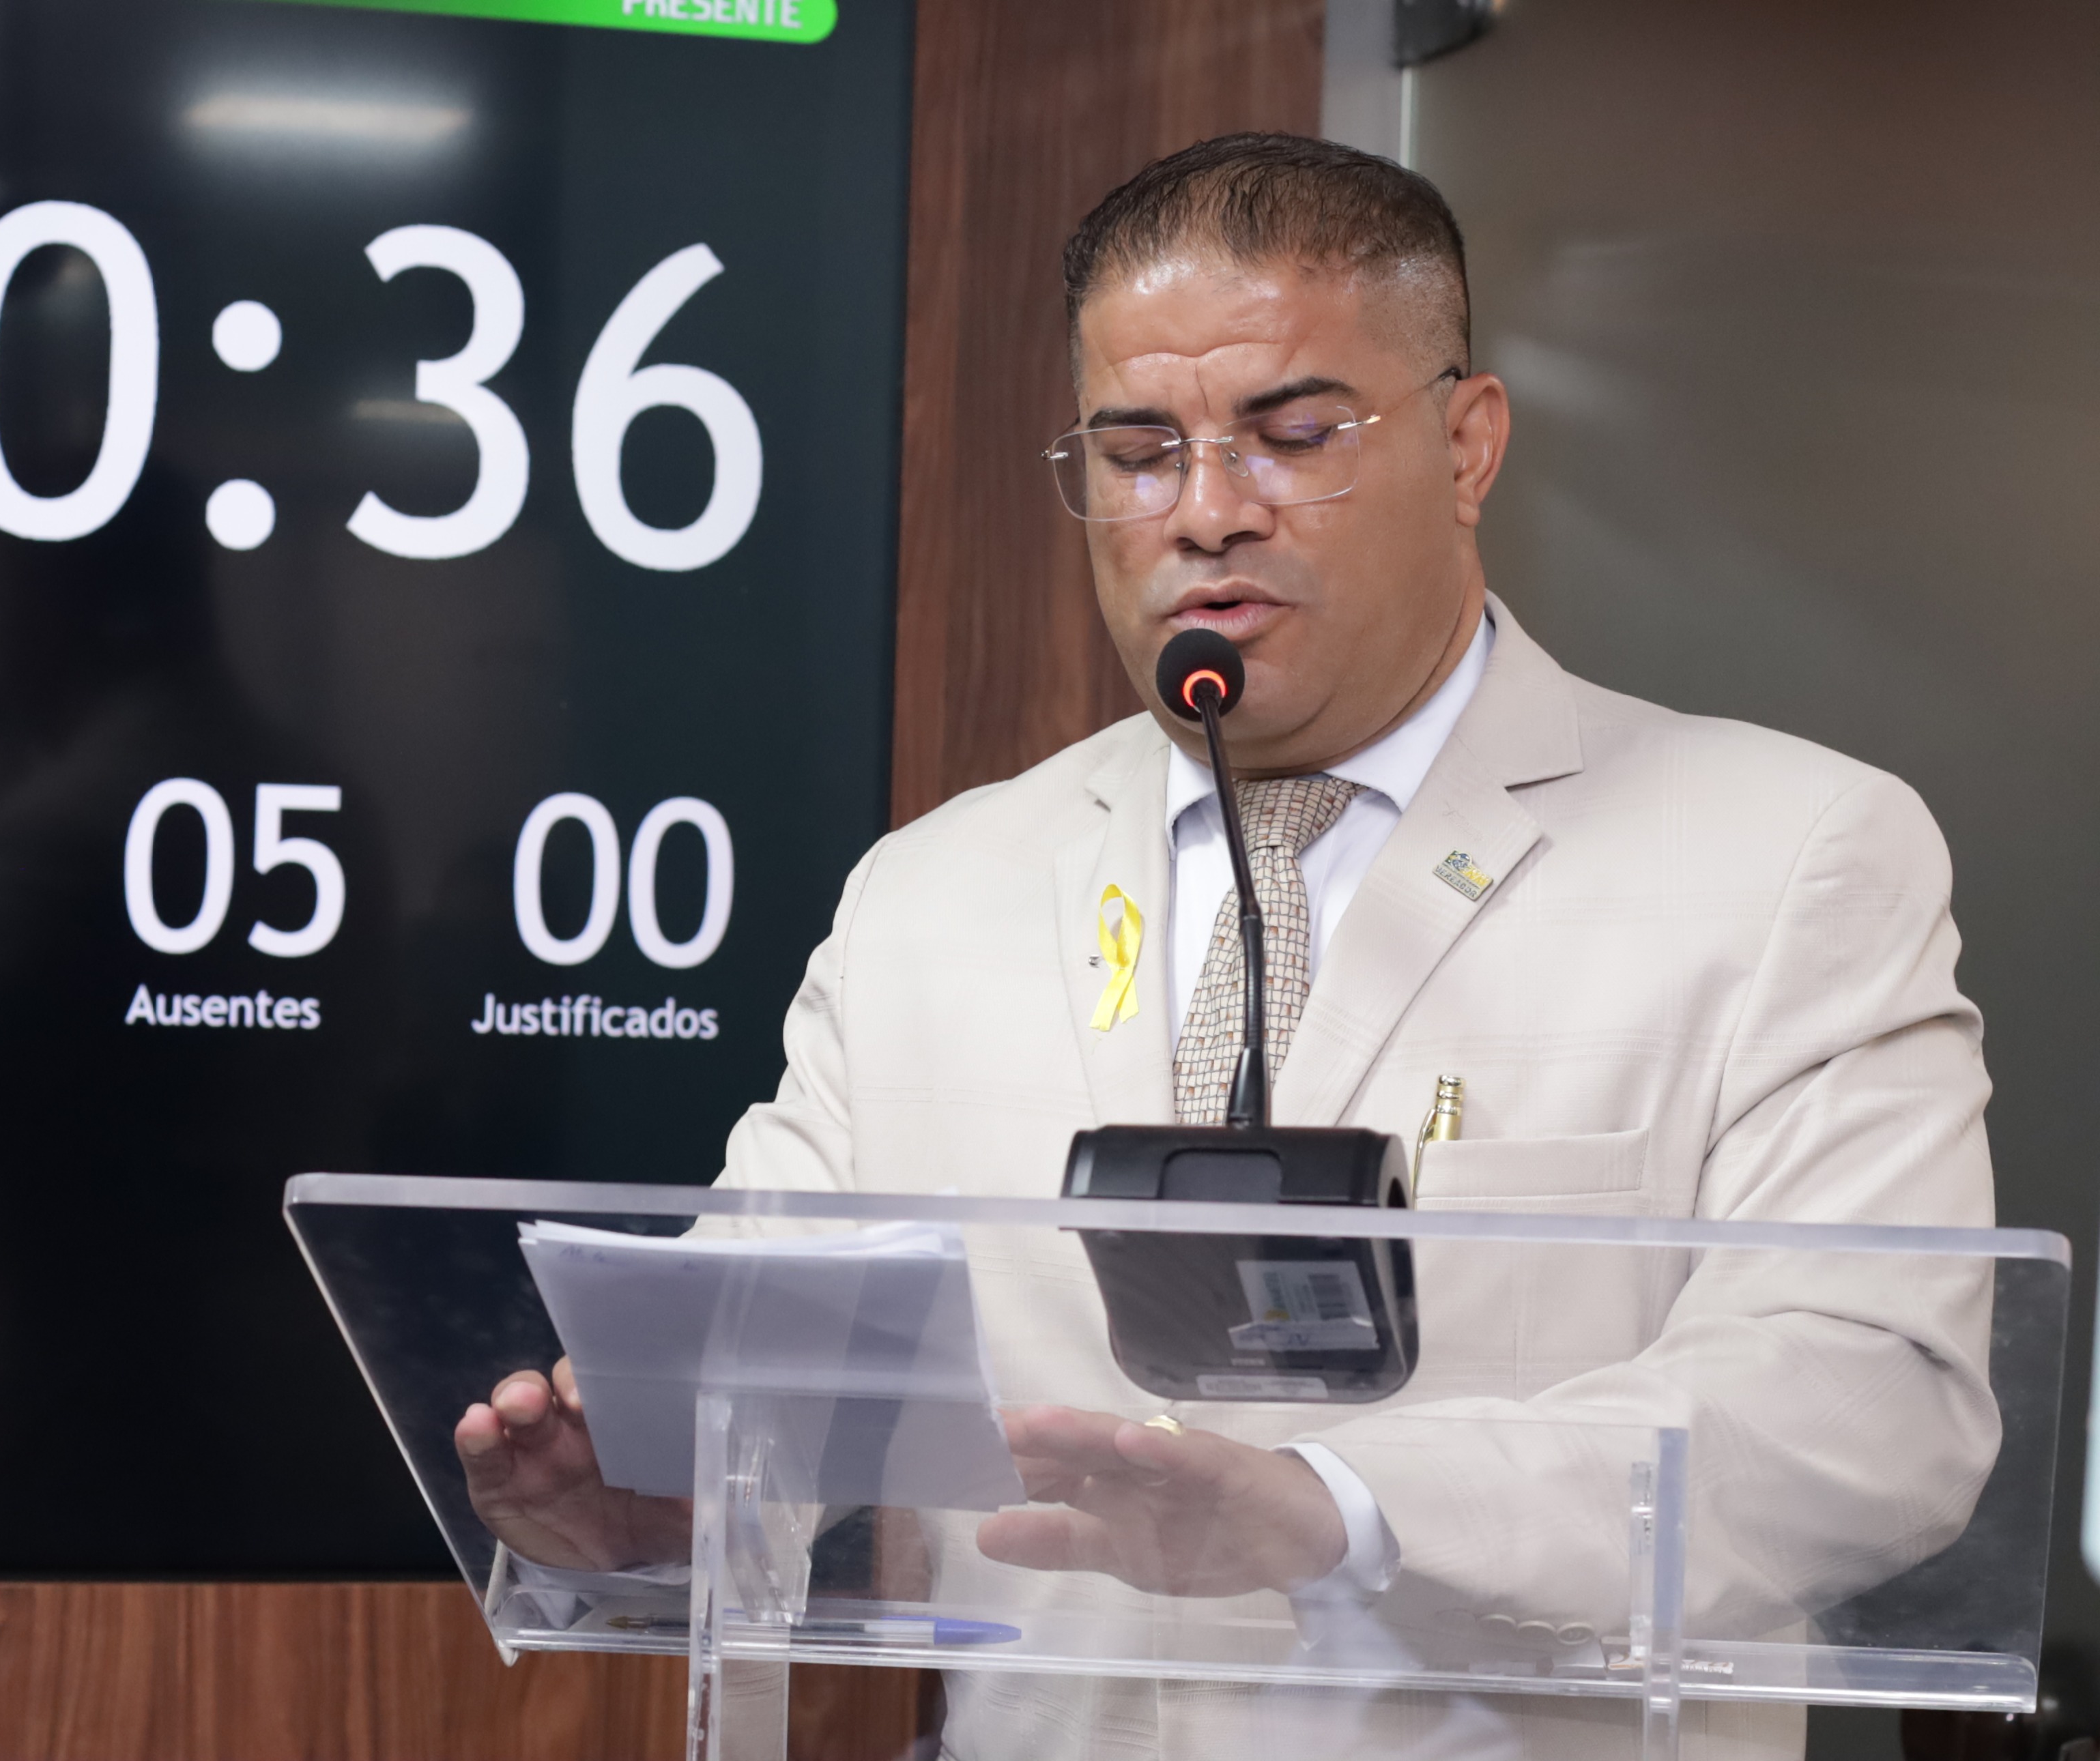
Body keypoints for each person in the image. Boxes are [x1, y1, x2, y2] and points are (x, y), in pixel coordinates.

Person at [452, 134, 1996, 1758]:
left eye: (1293, 436)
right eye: (1138, 452)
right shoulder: (933, 891)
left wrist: (1340, 1508)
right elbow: (763, 1355)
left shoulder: (1785, 853)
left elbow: (1870, 1404)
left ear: (1467, 444)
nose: (1203, 513)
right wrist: (666, 1496)